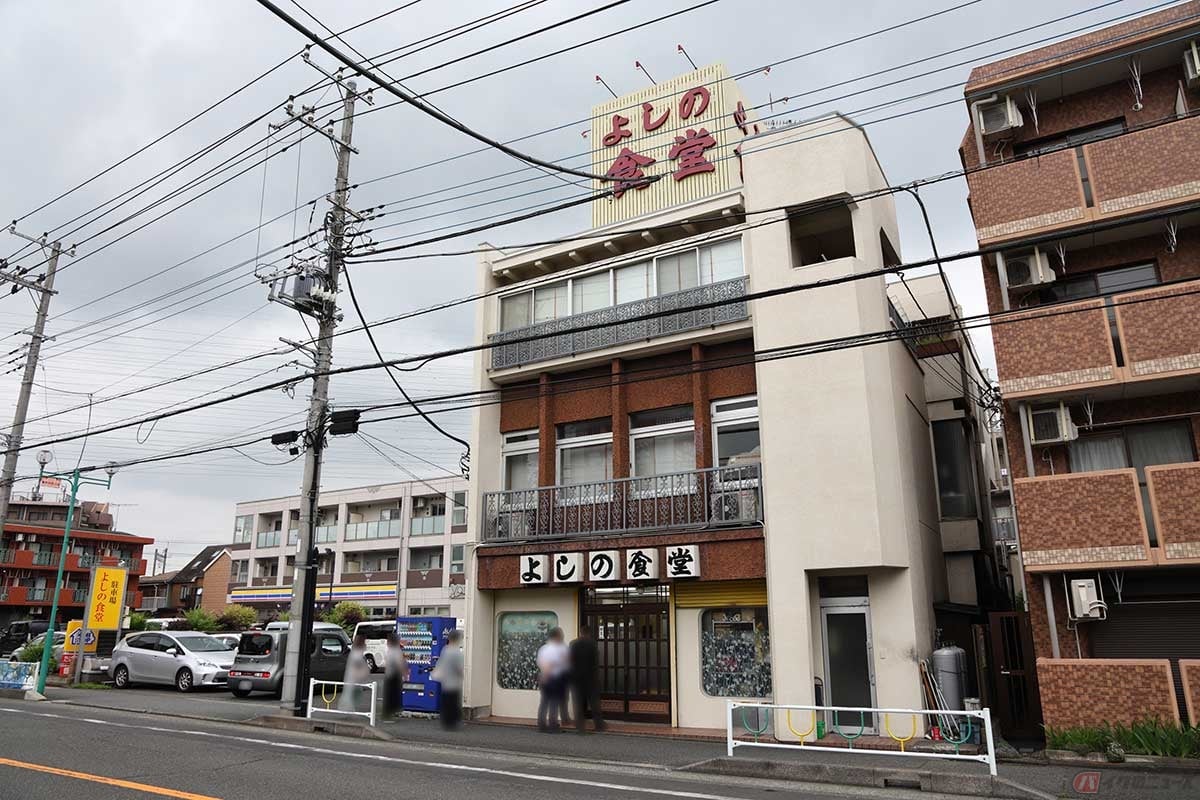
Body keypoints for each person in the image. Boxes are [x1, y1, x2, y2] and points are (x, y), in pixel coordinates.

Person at [569, 625, 604, 733]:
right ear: (588, 633)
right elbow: (595, 662)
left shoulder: (572, 644)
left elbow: (570, 660)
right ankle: (599, 725)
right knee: (594, 702)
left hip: (576, 678)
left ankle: (580, 727)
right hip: (590, 678)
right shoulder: (592, 644)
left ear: (580, 632)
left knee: (578, 703)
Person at [536, 627, 569, 732]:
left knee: (544, 702)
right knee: (554, 702)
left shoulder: (543, 648)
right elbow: (566, 662)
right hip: (555, 678)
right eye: (561, 635)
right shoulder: (561, 648)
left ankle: (541, 725)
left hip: (543, 677)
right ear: (558, 636)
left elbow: (540, 662)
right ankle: (553, 726)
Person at [431, 629, 464, 729]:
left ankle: (446, 722)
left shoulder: (445, 649)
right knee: (454, 701)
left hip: (445, 680)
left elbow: (441, 663)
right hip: (454, 681)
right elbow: (458, 668)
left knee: (446, 701)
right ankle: (452, 722)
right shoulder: (457, 652)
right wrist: (461, 676)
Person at [339, 634, 371, 713]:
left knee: (352, 692)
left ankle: (347, 708)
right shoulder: (357, 653)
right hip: (354, 677)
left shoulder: (355, 652)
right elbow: (357, 663)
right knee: (351, 692)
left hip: (353, 676)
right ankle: (347, 709)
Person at [383, 632, 407, 717]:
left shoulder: (388, 650)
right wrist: (405, 674)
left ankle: (388, 712)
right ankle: (391, 711)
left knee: (389, 694)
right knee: (395, 693)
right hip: (395, 675)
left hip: (388, 674)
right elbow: (400, 664)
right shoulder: (397, 651)